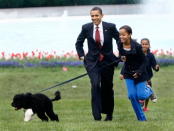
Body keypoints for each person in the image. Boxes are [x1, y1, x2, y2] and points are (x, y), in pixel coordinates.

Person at [75, 7, 120, 121]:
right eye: (92, 16)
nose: (94, 18)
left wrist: (121, 54)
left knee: (107, 87)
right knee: (95, 85)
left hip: (108, 62)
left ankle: (109, 114)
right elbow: (79, 43)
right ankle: (96, 115)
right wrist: (81, 55)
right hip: (92, 62)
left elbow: (119, 40)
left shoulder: (110, 27)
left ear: (102, 15)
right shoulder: (86, 27)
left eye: (96, 15)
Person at [118, 25, 156, 121]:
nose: (121, 37)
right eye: (120, 35)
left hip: (140, 74)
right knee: (132, 96)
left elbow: (144, 61)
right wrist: (121, 58)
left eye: (123, 35)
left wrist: (139, 72)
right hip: (128, 73)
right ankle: (142, 119)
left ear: (130, 34)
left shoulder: (137, 46)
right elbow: (122, 57)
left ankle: (149, 90)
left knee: (141, 95)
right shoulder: (119, 44)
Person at [141, 38, 159, 112]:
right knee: (142, 90)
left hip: (148, 76)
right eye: (143, 44)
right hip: (139, 76)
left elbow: (154, 66)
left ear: (149, 45)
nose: (144, 45)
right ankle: (142, 100)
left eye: (146, 44)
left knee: (147, 92)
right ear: (140, 45)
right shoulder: (138, 54)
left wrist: (156, 67)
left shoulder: (150, 55)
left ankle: (145, 107)